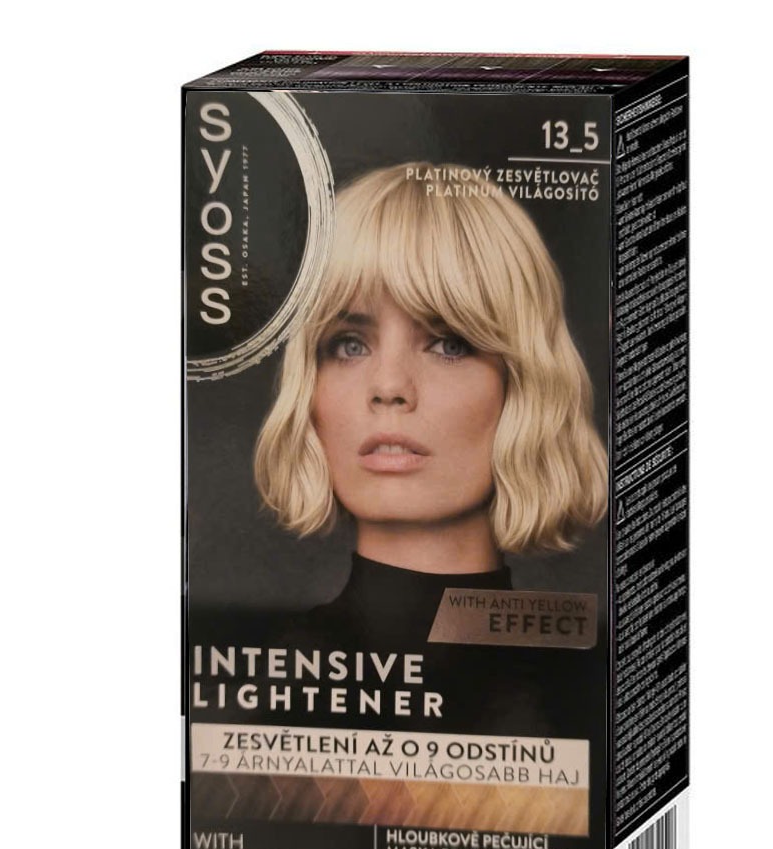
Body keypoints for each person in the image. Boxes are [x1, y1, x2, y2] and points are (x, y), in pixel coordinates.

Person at [254, 162, 607, 646]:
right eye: (349, 345)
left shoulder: (587, 675)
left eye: (449, 344)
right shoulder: (256, 674)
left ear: (523, 383)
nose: (389, 386)